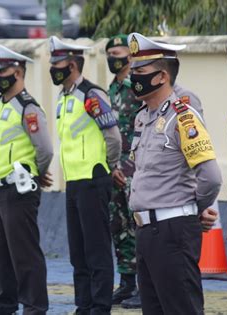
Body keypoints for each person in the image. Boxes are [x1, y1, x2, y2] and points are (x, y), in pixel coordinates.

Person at [126, 32, 222, 315]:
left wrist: (193, 209)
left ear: (161, 77)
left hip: (171, 230)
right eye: (133, 70)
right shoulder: (143, 117)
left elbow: (211, 177)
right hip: (146, 231)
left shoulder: (182, 117)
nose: (133, 77)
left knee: (182, 309)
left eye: (140, 71)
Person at [49, 35, 122, 314]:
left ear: (73, 65)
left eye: (59, 63)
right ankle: (84, 304)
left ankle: (100, 306)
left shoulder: (91, 95)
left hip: (94, 179)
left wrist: (110, 165)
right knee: (78, 252)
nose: (54, 68)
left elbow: (112, 135)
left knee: (97, 249)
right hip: (74, 182)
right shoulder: (63, 97)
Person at [0, 44, 54, 315]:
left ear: (19, 72)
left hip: (19, 187)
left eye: (4, 70)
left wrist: (35, 171)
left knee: (24, 252)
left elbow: (45, 149)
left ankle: (34, 307)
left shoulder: (28, 107)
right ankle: (5, 302)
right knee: (1, 252)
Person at [104, 34, 142, 309]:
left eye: (118, 53)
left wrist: (127, 166)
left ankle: (145, 284)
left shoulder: (137, 88)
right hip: (115, 167)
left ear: (129, 57)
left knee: (139, 224)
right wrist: (112, 166)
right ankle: (127, 283)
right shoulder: (110, 90)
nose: (113, 58)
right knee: (119, 226)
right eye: (109, 54)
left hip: (136, 167)